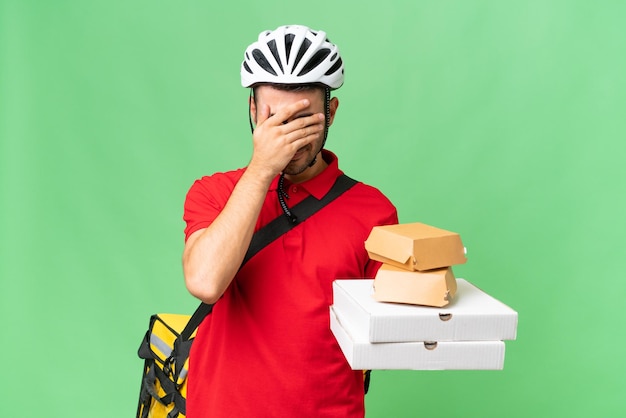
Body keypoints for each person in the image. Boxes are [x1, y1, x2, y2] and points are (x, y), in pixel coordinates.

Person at [182, 24, 398, 417]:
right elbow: (205, 282)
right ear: (252, 111)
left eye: (304, 119)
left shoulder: (374, 211)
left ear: (330, 113)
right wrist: (262, 169)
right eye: (274, 117)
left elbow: (391, 327)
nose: (289, 134)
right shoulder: (213, 193)